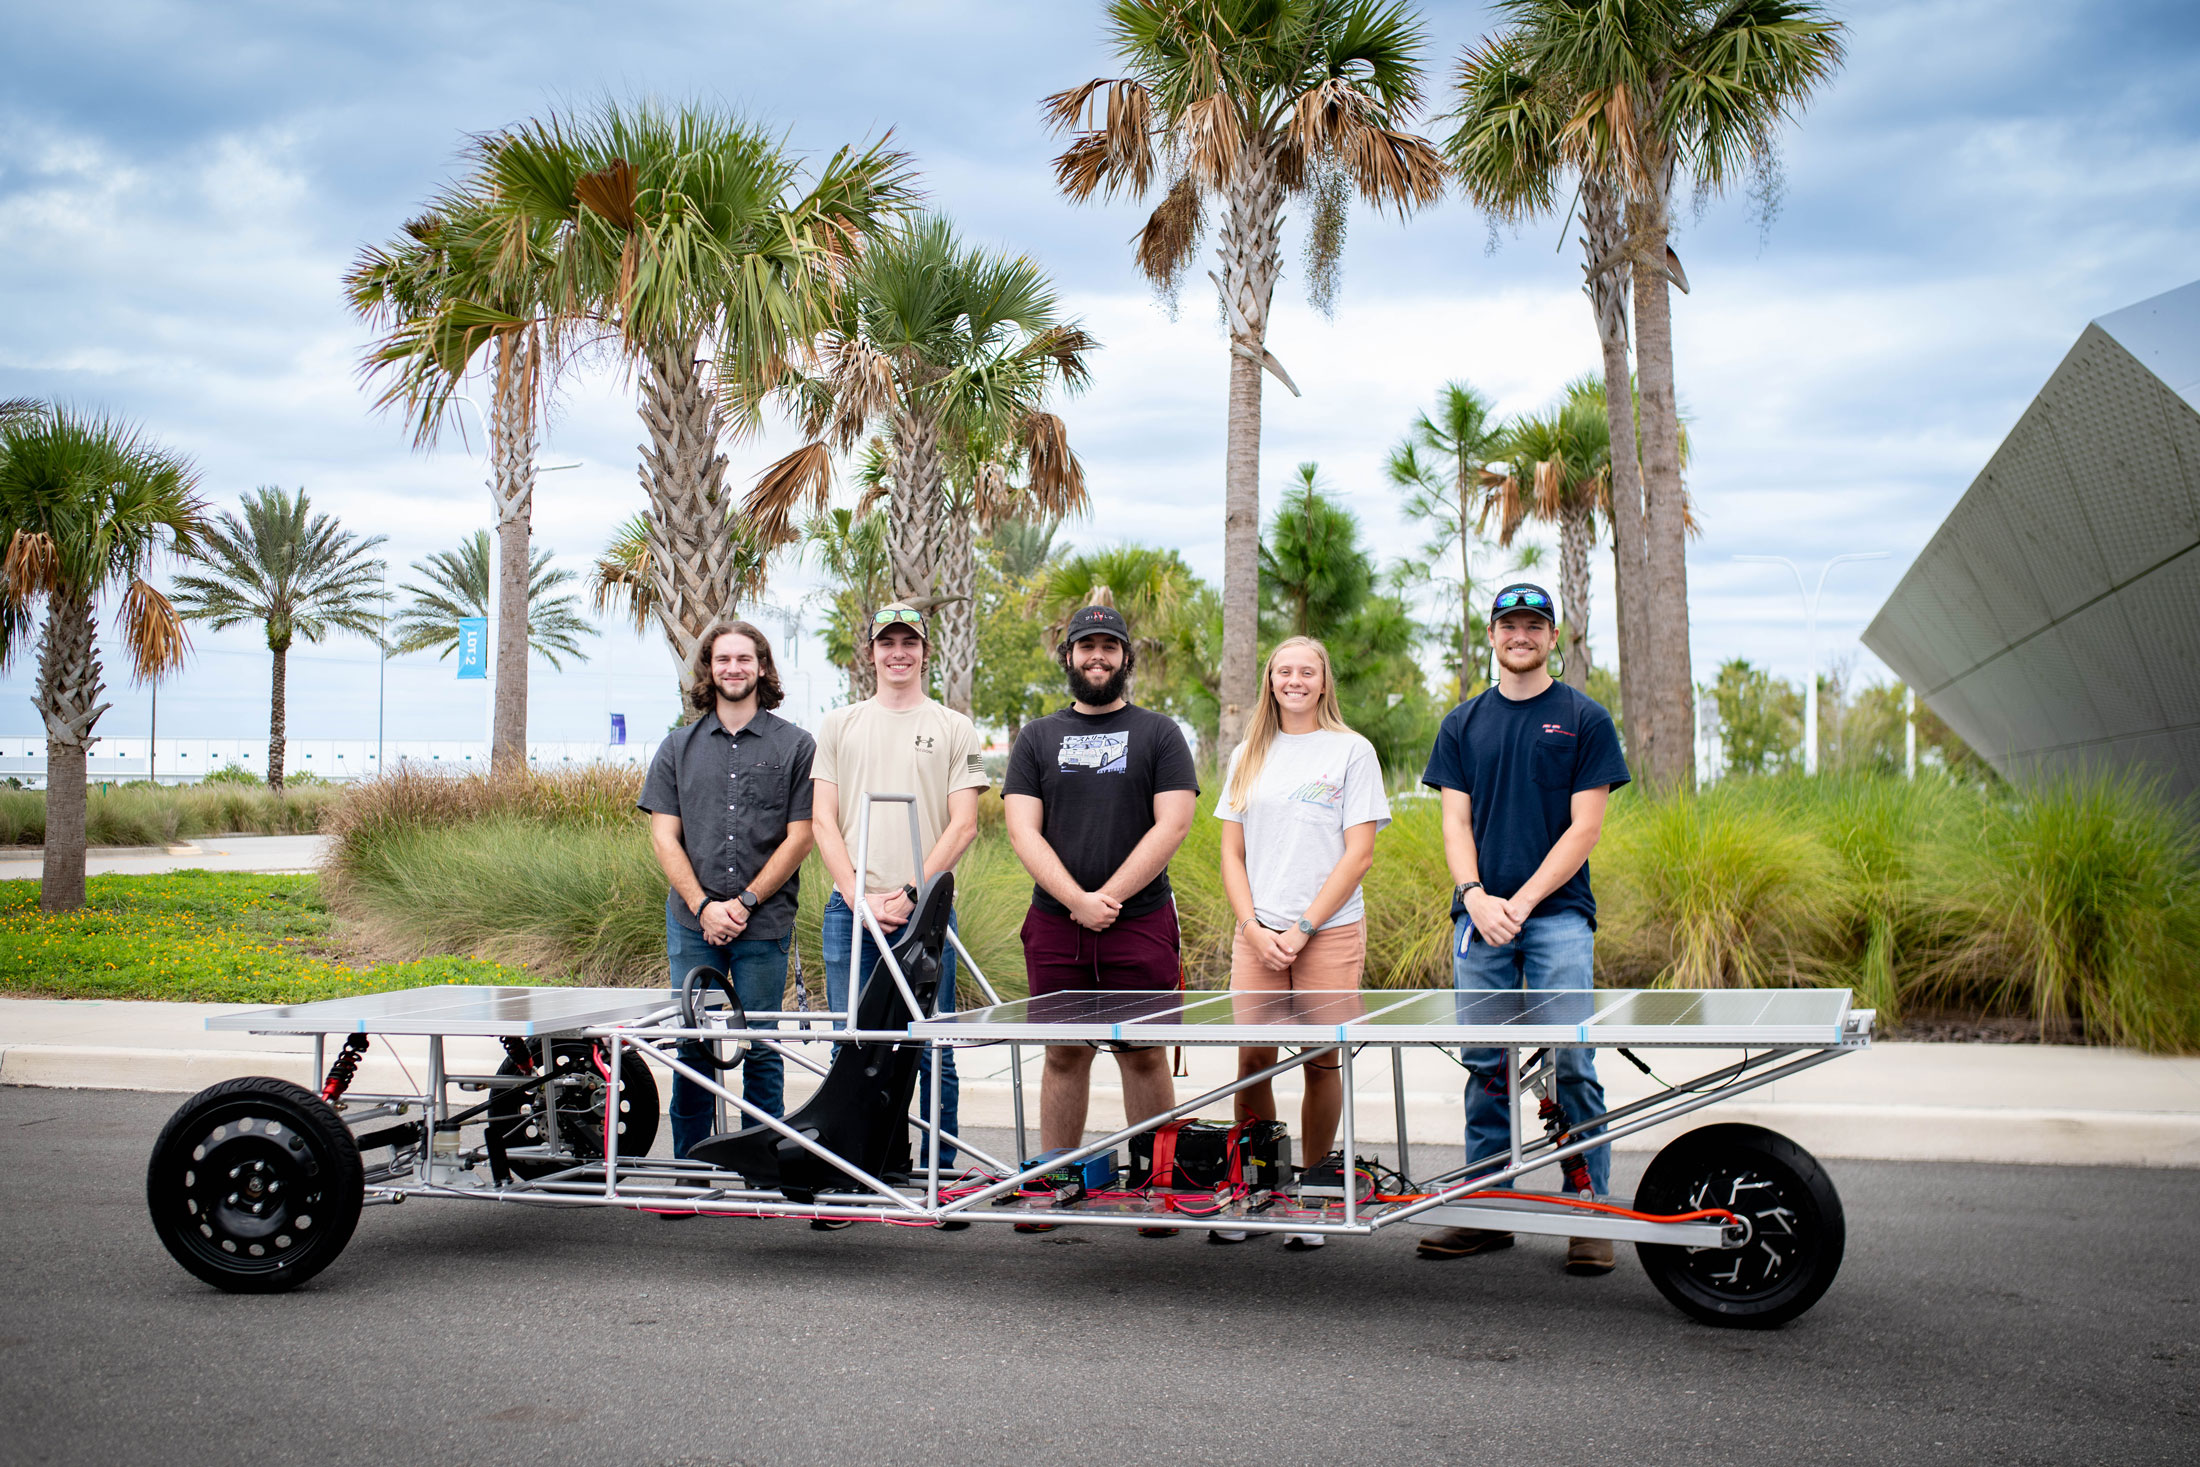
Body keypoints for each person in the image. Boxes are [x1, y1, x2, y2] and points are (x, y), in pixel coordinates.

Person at [1415, 583, 1631, 1275]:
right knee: (1486, 1066)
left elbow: (1585, 827)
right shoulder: (1463, 722)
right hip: (1480, 918)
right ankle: (1486, 1209)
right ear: (1492, 634)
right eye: (1510, 623)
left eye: (1534, 624)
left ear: (1551, 635)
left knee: (1572, 1060)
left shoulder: (1584, 718)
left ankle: (1589, 1209)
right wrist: (1476, 895)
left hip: (1559, 916)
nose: (1521, 635)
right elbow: (1455, 822)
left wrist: (1524, 900)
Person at [1003, 604, 1197, 1233]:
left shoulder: (1160, 734)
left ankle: (1158, 1187)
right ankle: (1055, 1183)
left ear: (1124, 657)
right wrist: (1075, 902)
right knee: (1063, 1056)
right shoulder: (1036, 737)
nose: (1097, 657)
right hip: (1056, 924)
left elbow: (1174, 823)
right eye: (1085, 646)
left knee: (1142, 1054)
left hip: (1139, 921)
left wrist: (1108, 896)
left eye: (1109, 647)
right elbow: (1023, 831)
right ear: (1068, 657)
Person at [1211, 636, 1390, 1250]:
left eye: (1306, 671)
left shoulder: (1351, 752)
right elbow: (1231, 853)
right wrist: (1255, 928)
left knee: (1321, 1057)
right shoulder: (1247, 755)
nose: (1294, 680)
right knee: (1251, 1060)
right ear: (1270, 680)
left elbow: (1358, 854)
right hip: (1257, 934)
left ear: (1322, 681)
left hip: (1328, 932)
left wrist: (1303, 928)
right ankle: (1256, 1188)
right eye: (1283, 670)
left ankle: (1313, 1196)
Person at [809, 601, 986, 1210]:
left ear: (925, 652)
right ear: (872, 651)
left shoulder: (954, 726)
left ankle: (940, 1179)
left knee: (933, 1044)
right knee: (850, 1043)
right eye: (888, 642)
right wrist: (859, 894)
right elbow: (822, 820)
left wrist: (910, 893)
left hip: (925, 914)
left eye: (909, 642)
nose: (898, 653)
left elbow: (963, 824)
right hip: (850, 912)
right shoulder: (839, 724)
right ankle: (852, 1172)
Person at [639, 619, 815, 1171]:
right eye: (722, 660)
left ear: (762, 667)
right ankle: (693, 1168)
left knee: (761, 1047)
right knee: (693, 1047)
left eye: (744, 659)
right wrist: (703, 906)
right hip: (693, 924)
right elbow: (664, 836)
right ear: (708, 670)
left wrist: (744, 903)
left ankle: (763, 1168)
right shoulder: (677, 747)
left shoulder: (796, 745)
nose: (733, 668)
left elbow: (802, 834)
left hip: (763, 925)